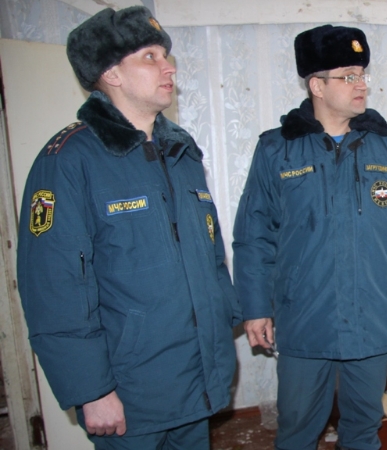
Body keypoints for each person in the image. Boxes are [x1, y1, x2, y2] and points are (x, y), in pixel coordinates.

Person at [16, 6, 241, 449]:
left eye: (166, 55)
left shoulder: (181, 153)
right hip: (129, 394)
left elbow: (210, 258)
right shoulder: (69, 159)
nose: (169, 66)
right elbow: (53, 285)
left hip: (194, 382)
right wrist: (90, 389)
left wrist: (223, 326)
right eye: (150, 57)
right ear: (111, 73)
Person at [233, 24, 387, 450]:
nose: (361, 85)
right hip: (305, 317)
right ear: (317, 85)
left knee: (364, 427)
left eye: (362, 75)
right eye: (348, 76)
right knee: (297, 430)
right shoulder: (278, 150)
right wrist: (256, 306)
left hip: (372, 311)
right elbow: (254, 235)